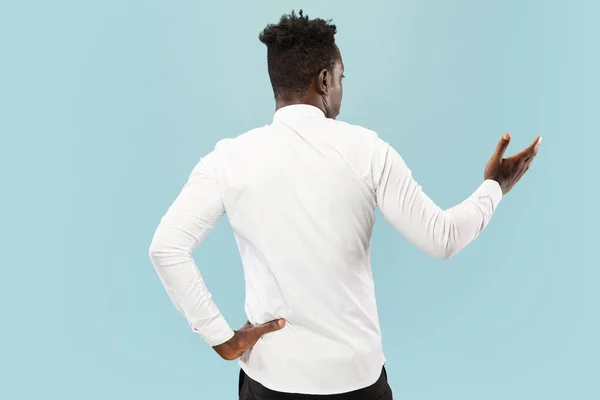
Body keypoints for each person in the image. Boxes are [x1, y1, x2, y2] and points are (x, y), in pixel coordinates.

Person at [148, 9, 541, 400]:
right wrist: (494, 187)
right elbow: (443, 238)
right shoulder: (368, 151)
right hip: (357, 381)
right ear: (324, 79)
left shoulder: (227, 160)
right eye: (340, 78)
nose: (340, 88)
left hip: (271, 380)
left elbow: (167, 248)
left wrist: (223, 339)